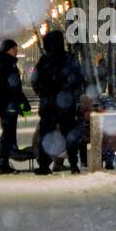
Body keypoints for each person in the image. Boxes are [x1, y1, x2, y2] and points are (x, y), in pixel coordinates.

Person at [30, 29, 85, 174]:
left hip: (49, 104)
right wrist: (71, 93)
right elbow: (79, 79)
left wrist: (43, 93)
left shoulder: (44, 61)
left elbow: (35, 80)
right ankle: (73, 163)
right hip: (66, 104)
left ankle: (44, 164)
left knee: (46, 133)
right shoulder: (70, 59)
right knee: (69, 133)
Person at [0, 39, 31, 174]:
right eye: (14, 49)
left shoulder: (4, 64)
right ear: (8, 50)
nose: (17, 51)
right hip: (8, 104)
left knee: (8, 132)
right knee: (8, 133)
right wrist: (23, 103)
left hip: (5, 104)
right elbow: (14, 88)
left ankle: (4, 160)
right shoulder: (8, 65)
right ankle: (3, 163)